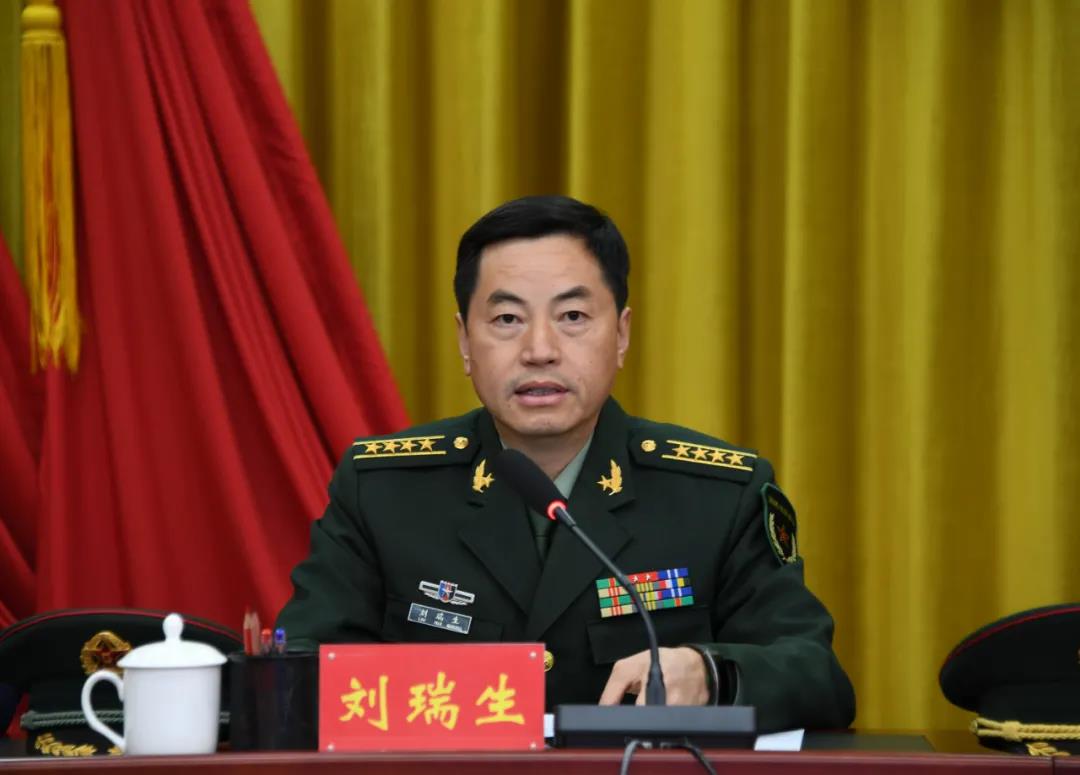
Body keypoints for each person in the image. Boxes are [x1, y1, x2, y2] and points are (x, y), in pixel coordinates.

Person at [276, 195, 856, 730]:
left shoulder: (717, 496)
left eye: (573, 316)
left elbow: (817, 677)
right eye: (507, 319)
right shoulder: (384, 491)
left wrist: (712, 674)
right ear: (464, 342)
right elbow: (298, 672)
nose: (540, 350)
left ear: (621, 335)